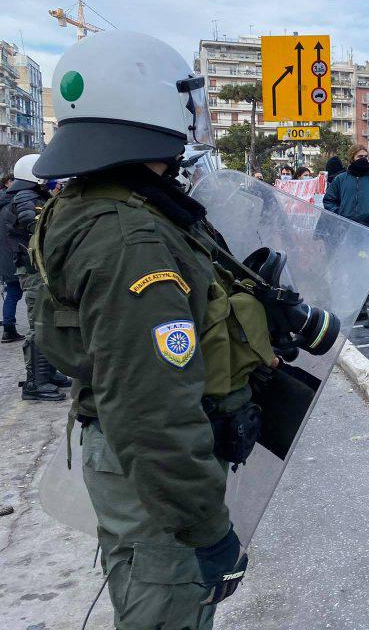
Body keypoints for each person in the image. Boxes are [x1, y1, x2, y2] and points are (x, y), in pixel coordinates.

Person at [32, 31, 266, 626]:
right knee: (167, 608)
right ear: (149, 104)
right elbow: (151, 407)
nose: (194, 116)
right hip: (156, 482)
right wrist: (209, 532)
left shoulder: (101, 201)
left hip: (138, 470)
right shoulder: (132, 238)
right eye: (187, 100)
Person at [2, 155, 69, 400]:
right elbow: (36, 226)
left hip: (37, 269)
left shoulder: (33, 196)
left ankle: (48, 374)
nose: (51, 180)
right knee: (38, 325)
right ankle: (36, 382)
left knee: (47, 323)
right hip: (32, 271)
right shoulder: (26, 198)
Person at [323, 144, 369, 328]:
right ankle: (360, 309)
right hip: (348, 232)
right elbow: (328, 200)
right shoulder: (341, 180)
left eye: (365, 156)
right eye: (359, 156)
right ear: (351, 158)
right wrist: (340, 212)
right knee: (352, 272)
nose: (363, 159)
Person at [0, 174, 24, 344]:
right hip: (13, 254)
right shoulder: (12, 205)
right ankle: (8, 328)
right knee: (14, 291)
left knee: (12, 290)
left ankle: (9, 327)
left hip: (4, 254)